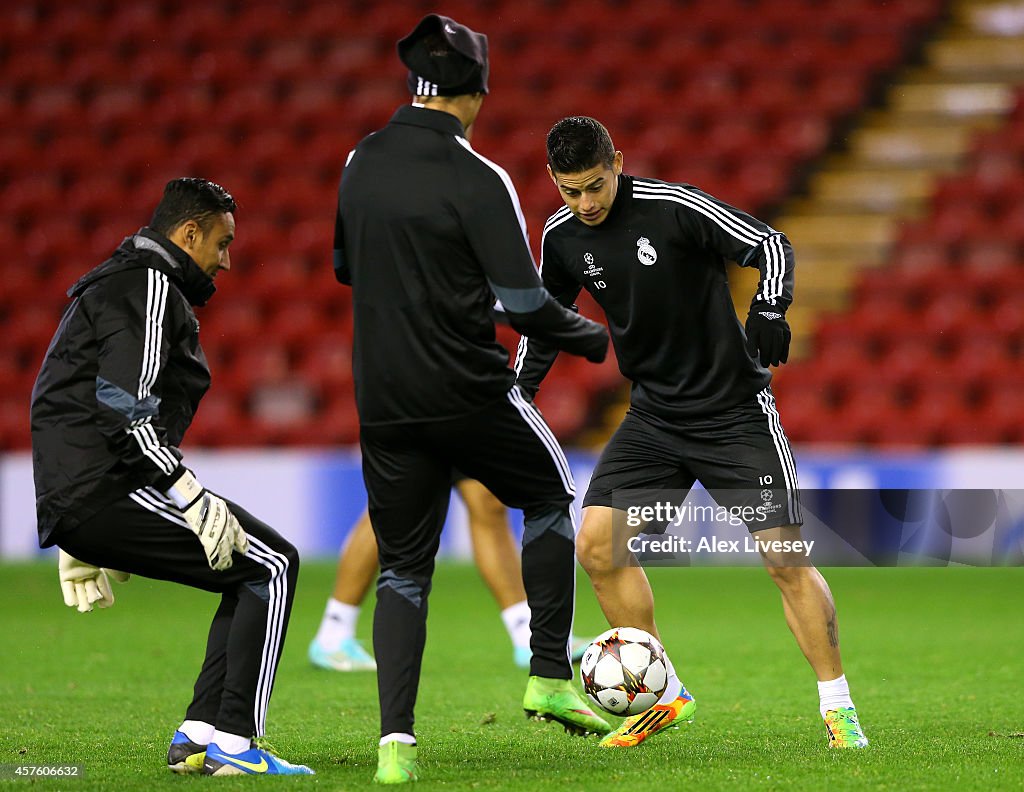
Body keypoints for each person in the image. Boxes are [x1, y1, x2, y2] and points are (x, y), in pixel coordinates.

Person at [514, 117, 869, 750]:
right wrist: (518, 398)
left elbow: (771, 243)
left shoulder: (672, 207)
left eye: (595, 185)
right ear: (554, 183)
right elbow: (546, 322)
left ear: (617, 162)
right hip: (653, 419)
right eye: (571, 190)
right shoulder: (563, 237)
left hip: (735, 414)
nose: (586, 202)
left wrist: (769, 305)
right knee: (597, 546)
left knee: (785, 561)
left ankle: (837, 704)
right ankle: (665, 695)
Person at [333, 15, 612, 784]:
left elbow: (345, 268)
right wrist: (586, 337)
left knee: (403, 570)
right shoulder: (479, 177)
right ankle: (550, 675)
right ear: (478, 91)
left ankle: (396, 746)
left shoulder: (360, 162)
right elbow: (524, 304)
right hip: (467, 391)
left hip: (384, 400)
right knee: (551, 494)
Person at [29, 178, 314, 776]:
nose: (227, 259)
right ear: (188, 234)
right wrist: (183, 490)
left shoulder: (113, 278)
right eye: (221, 242)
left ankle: (198, 734)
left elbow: (56, 392)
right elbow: (122, 407)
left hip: (87, 487)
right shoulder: (149, 284)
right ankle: (237, 745)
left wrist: (66, 515)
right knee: (272, 564)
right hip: (105, 484)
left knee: (245, 572)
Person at [308, 476, 592, 671]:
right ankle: (334, 632)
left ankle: (526, 632)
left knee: (487, 500)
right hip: (418, 401)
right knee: (396, 500)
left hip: (461, 397)